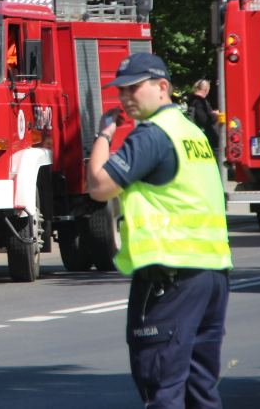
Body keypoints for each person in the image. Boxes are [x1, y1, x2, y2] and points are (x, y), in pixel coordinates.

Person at [86, 53, 233, 409]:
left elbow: (98, 185)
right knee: (201, 390)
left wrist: (104, 134)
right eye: (121, 90)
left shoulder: (152, 136)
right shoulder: (192, 133)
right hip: (211, 274)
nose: (125, 97)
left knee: (162, 388)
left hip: (171, 276)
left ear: (162, 86)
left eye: (134, 88)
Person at [187, 79, 220, 152]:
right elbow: (204, 120)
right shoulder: (199, 101)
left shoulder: (192, 100)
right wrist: (215, 115)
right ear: (206, 89)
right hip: (204, 139)